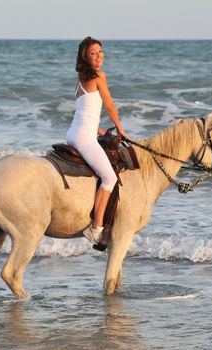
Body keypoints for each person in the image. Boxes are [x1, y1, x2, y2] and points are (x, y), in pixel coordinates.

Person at [66, 36, 129, 244]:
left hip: (75, 133)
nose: (98, 56)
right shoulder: (99, 76)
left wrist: (102, 132)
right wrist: (121, 130)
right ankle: (96, 227)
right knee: (109, 178)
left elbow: (85, 112)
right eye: (93, 53)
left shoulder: (80, 80)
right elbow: (109, 106)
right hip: (84, 138)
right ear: (85, 57)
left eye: (100, 51)